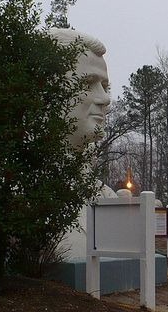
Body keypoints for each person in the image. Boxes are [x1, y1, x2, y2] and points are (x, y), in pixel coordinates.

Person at [48, 29, 117, 259]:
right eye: (88, 83)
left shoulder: (108, 198)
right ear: (46, 89)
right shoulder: (0, 198)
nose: (105, 99)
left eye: (104, 86)